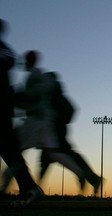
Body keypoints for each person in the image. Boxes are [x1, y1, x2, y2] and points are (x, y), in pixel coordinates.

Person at [0, 18, 43, 206]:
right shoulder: (6, 49)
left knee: (9, 151)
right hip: (4, 106)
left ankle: (29, 187)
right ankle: (29, 187)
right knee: (9, 151)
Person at [39, 72, 101, 194]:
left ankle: (90, 177)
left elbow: (71, 110)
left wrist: (59, 121)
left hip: (55, 130)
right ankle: (33, 187)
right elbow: (71, 110)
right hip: (55, 129)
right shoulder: (55, 94)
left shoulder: (54, 95)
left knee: (55, 155)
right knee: (49, 158)